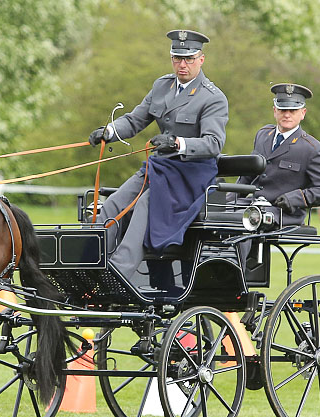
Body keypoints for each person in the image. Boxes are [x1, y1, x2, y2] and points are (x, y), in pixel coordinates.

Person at [88, 29, 228, 295]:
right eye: (177, 58)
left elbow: (213, 144)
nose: (182, 64)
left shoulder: (213, 98)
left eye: (188, 58)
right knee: (114, 204)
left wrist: (178, 143)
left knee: (144, 205)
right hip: (160, 168)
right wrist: (109, 132)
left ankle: (118, 275)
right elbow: (134, 120)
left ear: (202, 59)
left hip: (190, 176)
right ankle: (90, 266)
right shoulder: (161, 86)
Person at [236, 83, 320, 226]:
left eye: (293, 110)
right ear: (274, 111)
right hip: (254, 205)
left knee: (246, 221)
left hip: (284, 212)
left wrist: (296, 198)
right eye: (283, 109)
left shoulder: (311, 149)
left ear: (303, 113)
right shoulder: (263, 135)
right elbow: (248, 175)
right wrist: (230, 198)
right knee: (214, 215)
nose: (287, 114)